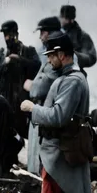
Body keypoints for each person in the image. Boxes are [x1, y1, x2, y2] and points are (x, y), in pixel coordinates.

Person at [18, 32, 94, 193]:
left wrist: (33, 109)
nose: (49, 61)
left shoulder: (72, 81)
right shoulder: (70, 77)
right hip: (65, 146)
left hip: (61, 148)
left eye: (52, 56)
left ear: (62, 54)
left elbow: (59, 116)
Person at [0, 20, 41, 139]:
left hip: (21, 105)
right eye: (5, 35)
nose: (7, 38)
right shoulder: (1, 55)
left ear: (16, 34)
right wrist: (6, 62)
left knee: (21, 139)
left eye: (10, 34)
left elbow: (36, 66)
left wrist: (18, 59)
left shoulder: (28, 51)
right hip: (4, 104)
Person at [24, 16, 63, 174]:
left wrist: (32, 86)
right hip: (41, 108)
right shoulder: (50, 54)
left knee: (44, 154)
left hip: (48, 109)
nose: (40, 36)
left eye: (42, 32)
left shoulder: (58, 55)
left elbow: (41, 87)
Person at [59, 5, 97, 73]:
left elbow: (91, 58)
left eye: (65, 18)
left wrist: (73, 55)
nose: (62, 20)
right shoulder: (56, 33)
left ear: (71, 19)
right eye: (62, 17)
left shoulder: (82, 36)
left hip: (74, 74)